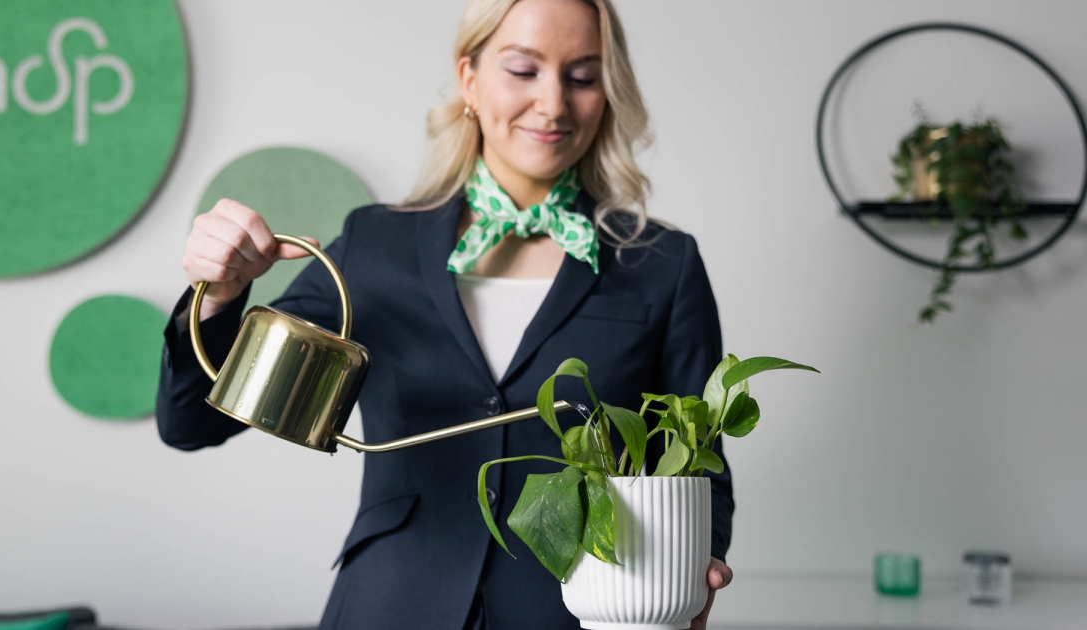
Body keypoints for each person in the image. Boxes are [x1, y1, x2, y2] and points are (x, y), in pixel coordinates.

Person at [156, 0, 735, 628]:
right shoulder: (375, 244)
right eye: (523, 70)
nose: (553, 104)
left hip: (581, 611)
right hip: (389, 604)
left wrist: (691, 573)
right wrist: (218, 297)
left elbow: (699, 464)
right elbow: (192, 424)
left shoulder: (662, 263)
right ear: (469, 79)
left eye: (582, 76)